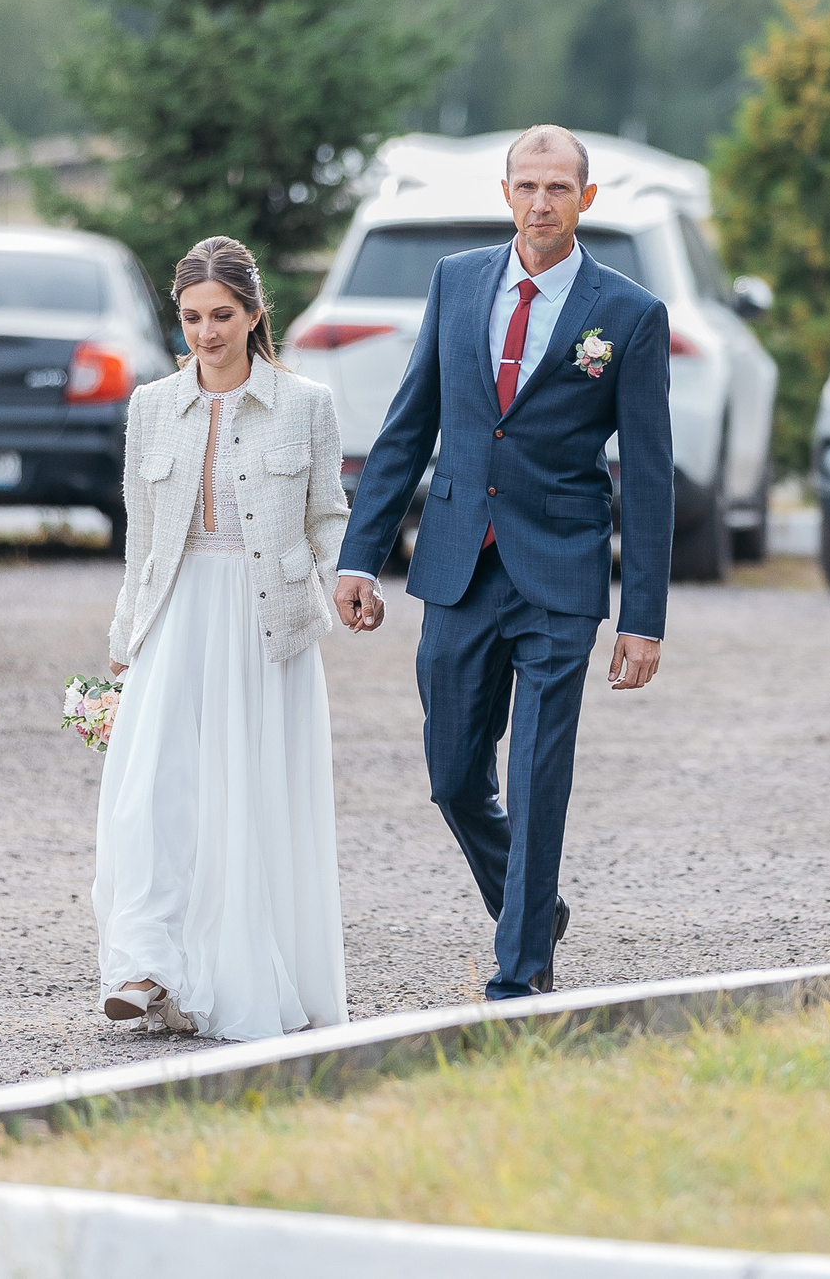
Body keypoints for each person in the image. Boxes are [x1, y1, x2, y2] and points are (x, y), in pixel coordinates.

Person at [334, 124, 674, 1000]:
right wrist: (360, 557)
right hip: (455, 562)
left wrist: (642, 615)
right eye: (528, 185)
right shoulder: (456, 283)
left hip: (559, 569)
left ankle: (521, 972)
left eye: (560, 188)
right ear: (506, 191)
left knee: (536, 776)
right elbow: (409, 426)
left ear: (585, 201)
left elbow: (648, 475)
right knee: (452, 777)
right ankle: (533, 904)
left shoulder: (629, 315)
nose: (541, 202)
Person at [95, 235, 351, 1040]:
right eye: (192, 316)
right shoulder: (150, 408)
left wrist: (353, 585)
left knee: (245, 802)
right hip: (174, 616)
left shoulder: (306, 405)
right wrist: (124, 634)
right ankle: (144, 966)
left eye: (222, 315)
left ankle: (236, 976)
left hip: (265, 623)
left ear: (253, 313)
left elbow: (327, 519)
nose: (206, 332)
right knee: (151, 795)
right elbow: (142, 540)